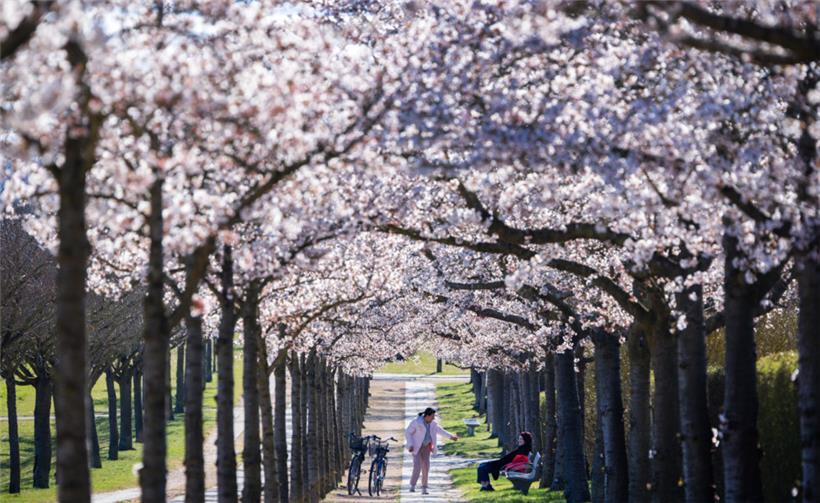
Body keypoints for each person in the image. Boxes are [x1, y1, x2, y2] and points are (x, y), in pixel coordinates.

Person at [405, 407, 458, 494]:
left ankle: (424, 487)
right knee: (417, 466)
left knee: (426, 467)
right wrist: (410, 444)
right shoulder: (417, 422)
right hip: (416, 446)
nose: (433, 418)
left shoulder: (433, 424)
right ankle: (412, 485)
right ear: (427, 416)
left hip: (426, 447)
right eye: (432, 416)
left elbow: (441, 431)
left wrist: (451, 437)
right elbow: (408, 432)